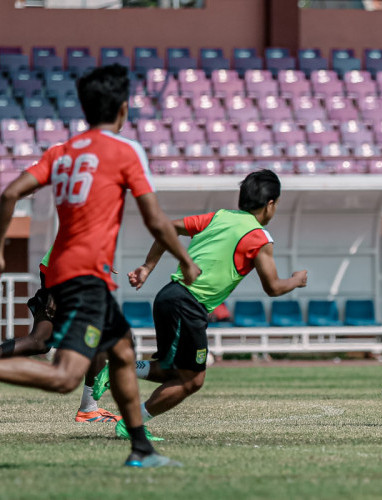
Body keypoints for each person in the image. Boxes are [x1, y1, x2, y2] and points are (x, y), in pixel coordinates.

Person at [0, 64, 201, 467]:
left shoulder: (61, 152)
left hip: (63, 270)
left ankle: (141, 450)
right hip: (87, 276)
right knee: (65, 376)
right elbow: (156, 220)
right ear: (124, 110)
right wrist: (184, 259)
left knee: (122, 353)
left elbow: (10, 192)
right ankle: (139, 448)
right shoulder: (125, 151)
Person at [101, 169, 307, 440]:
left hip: (170, 297)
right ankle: (131, 423)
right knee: (192, 381)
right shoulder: (259, 237)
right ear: (271, 204)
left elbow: (168, 227)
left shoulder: (218, 217)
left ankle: (119, 369)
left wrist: (148, 267)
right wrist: (295, 280)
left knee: (173, 370)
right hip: (187, 304)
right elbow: (273, 287)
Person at [0, 247, 120, 423]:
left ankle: (89, 409)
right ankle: (89, 410)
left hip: (62, 272)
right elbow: (72, 241)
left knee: (39, 341)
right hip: (64, 273)